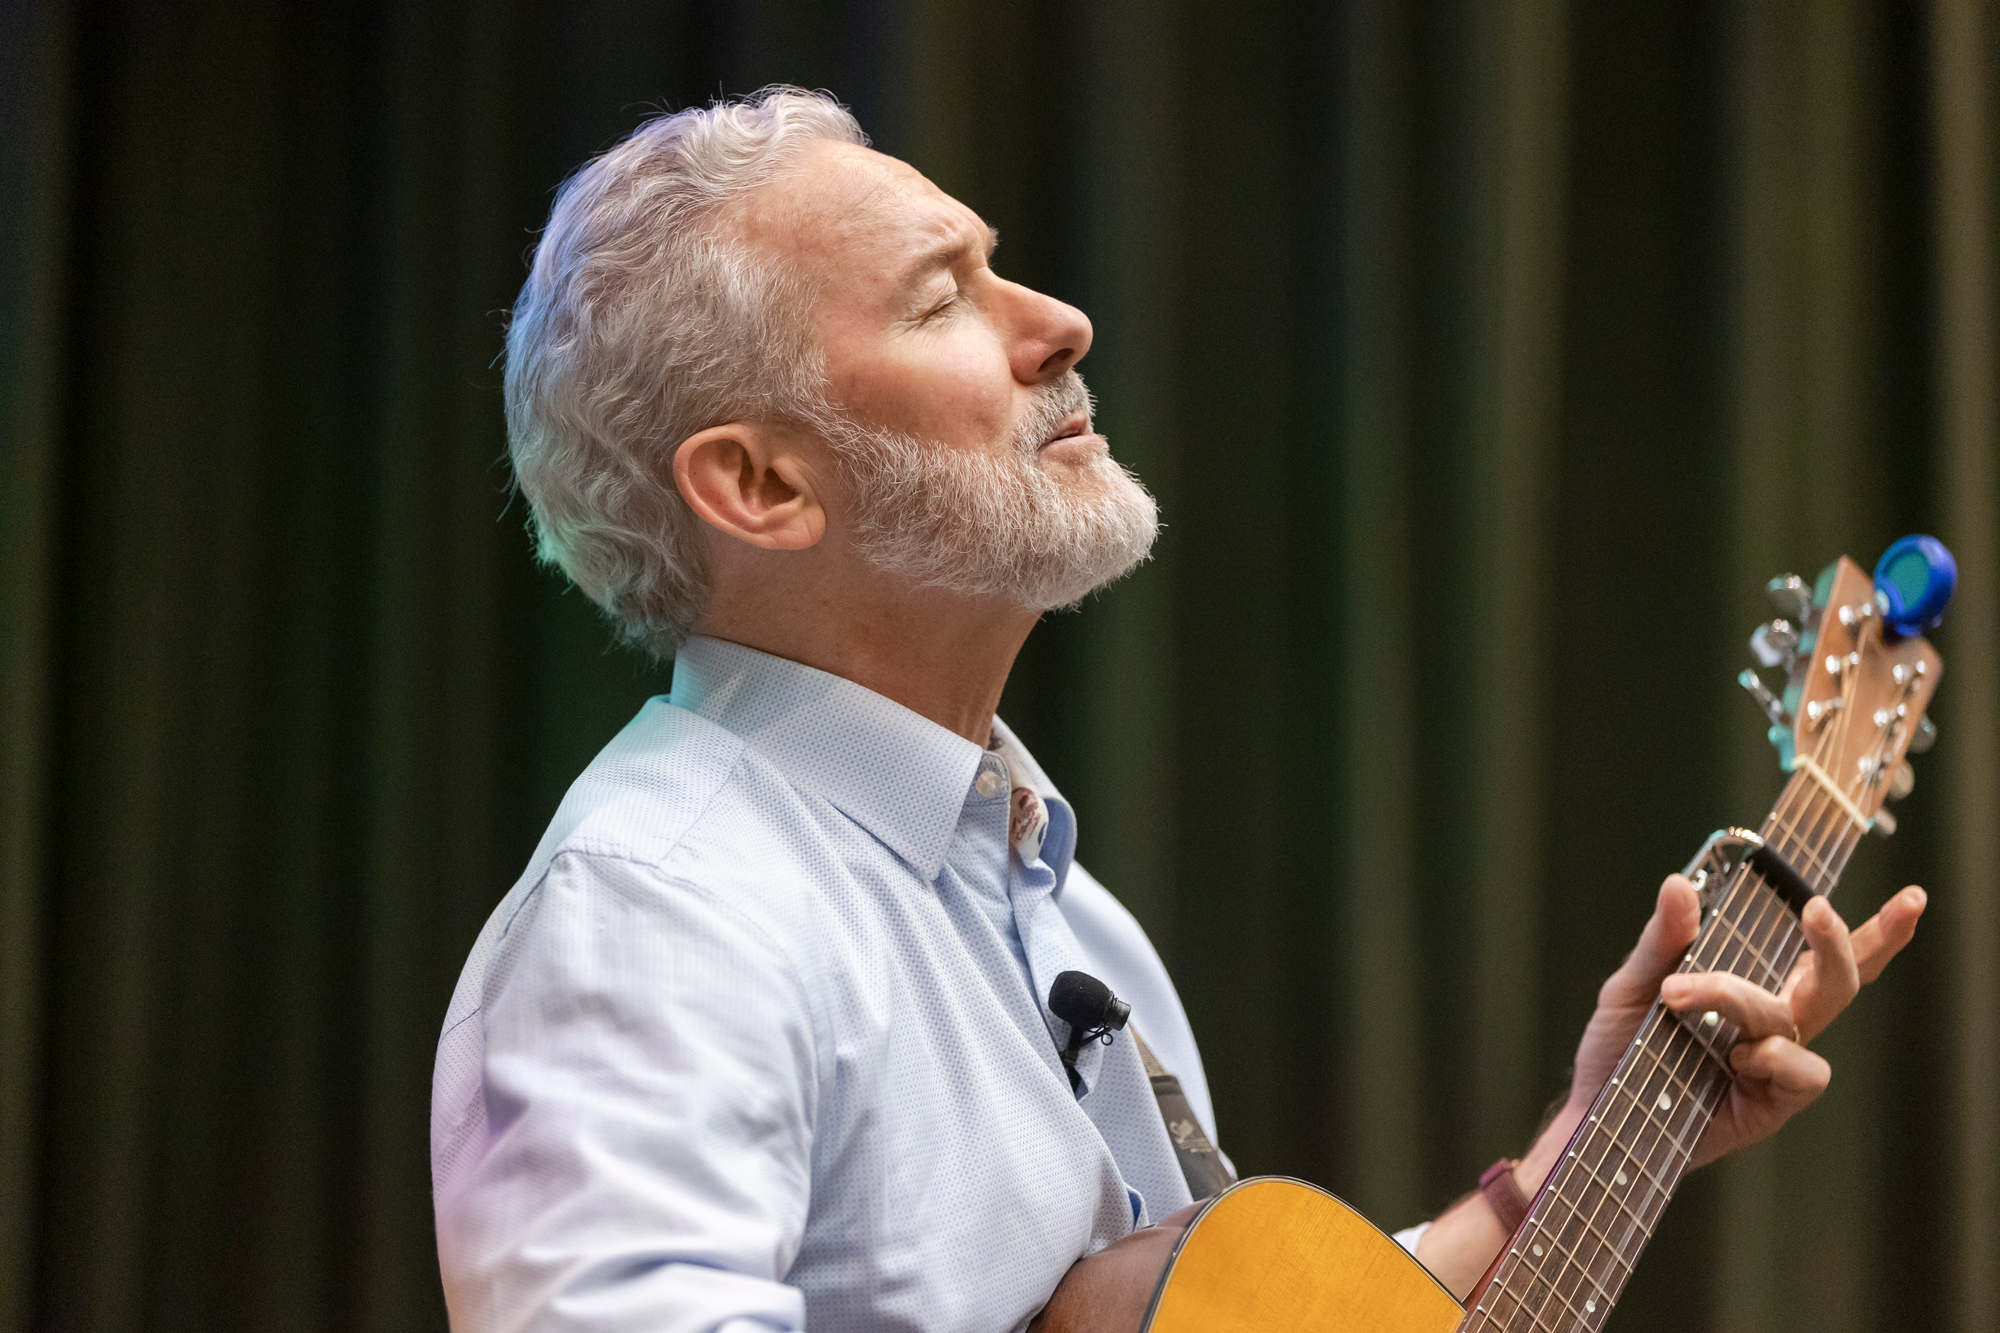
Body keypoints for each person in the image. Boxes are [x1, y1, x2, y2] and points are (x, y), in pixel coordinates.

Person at [429, 86, 1927, 1333]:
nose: (1062, 321)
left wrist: (1582, 1154)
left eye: (1001, 263)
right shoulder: (656, 916)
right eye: (943, 296)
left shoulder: (1073, 915)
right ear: (762, 485)